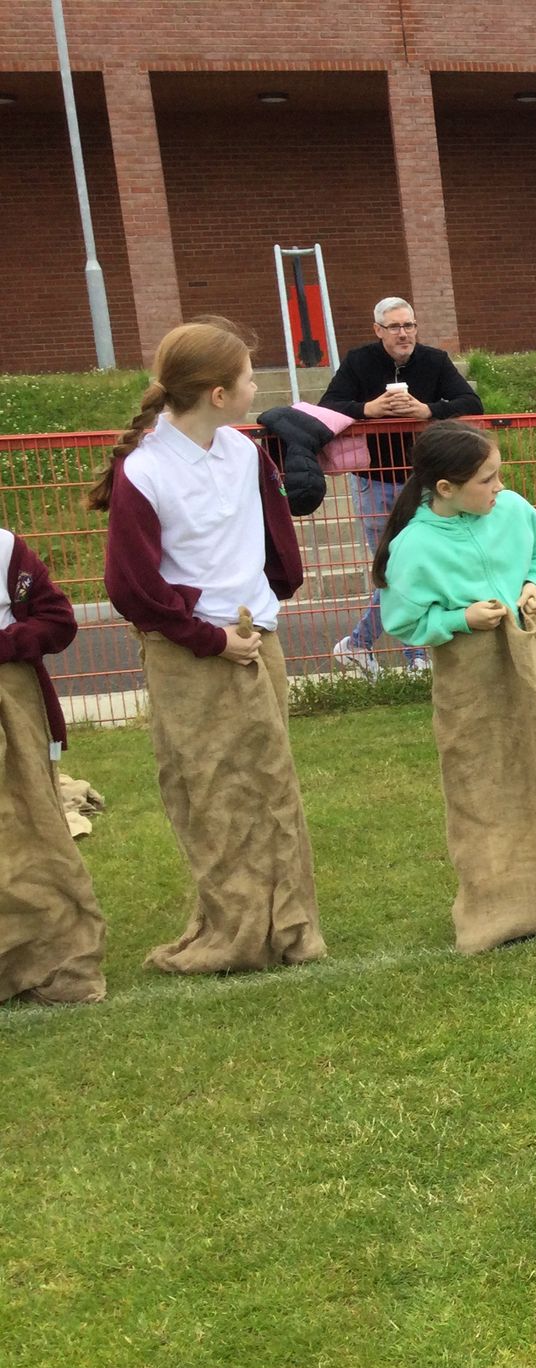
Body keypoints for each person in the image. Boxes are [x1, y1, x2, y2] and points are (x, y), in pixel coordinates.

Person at [93, 317, 326, 974]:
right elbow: (131, 586)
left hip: (256, 639)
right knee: (210, 790)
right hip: (188, 651)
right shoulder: (145, 471)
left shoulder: (244, 451)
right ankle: (233, 930)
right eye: (250, 377)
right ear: (218, 393)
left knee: (272, 786)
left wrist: (263, 604)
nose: (257, 386)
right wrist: (208, 634)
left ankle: (290, 928)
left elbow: (277, 536)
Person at [377, 422, 536, 952]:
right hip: (469, 675)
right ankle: (496, 908)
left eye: (498, 474)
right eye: (487, 480)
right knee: (482, 786)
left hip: (527, 659)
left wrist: (533, 585)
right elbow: (404, 620)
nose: (499, 488)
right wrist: (461, 618)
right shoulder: (414, 546)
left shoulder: (509, 511)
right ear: (446, 488)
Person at [321, 296, 483, 678]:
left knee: (414, 568)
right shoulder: (359, 361)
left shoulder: (435, 360)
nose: (404, 333)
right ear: (378, 330)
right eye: (394, 326)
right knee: (396, 569)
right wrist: (368, 410)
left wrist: (428, 410)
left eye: (409, 325)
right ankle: (408, 655)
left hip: (424, 481)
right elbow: (329, 405)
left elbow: (471, 403)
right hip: (374, 480)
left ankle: (362, 646)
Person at [0, 526, 107, 1005]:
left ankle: (49, 962)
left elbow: (57, 620)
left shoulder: (5, 549)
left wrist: (7, 644)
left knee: (28, 835)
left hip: (10, 701)